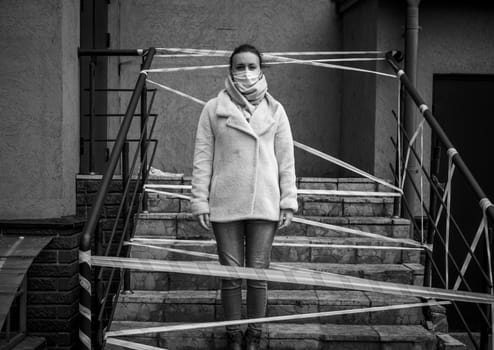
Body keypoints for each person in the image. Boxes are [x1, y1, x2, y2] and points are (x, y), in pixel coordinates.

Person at [191, 44, 298, 350]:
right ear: (230, 70)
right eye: (240, 66)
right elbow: (202, 158)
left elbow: (285, 158)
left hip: (265, 203)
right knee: (231, 275)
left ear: (261, 70)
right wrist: (200, 199)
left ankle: (255, 333)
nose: (246, 72)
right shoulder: (213, 109)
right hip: (225, 203)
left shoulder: (276, 110)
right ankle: (233, 334)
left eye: (252, 66)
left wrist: (288, 199)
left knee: (258, 274)